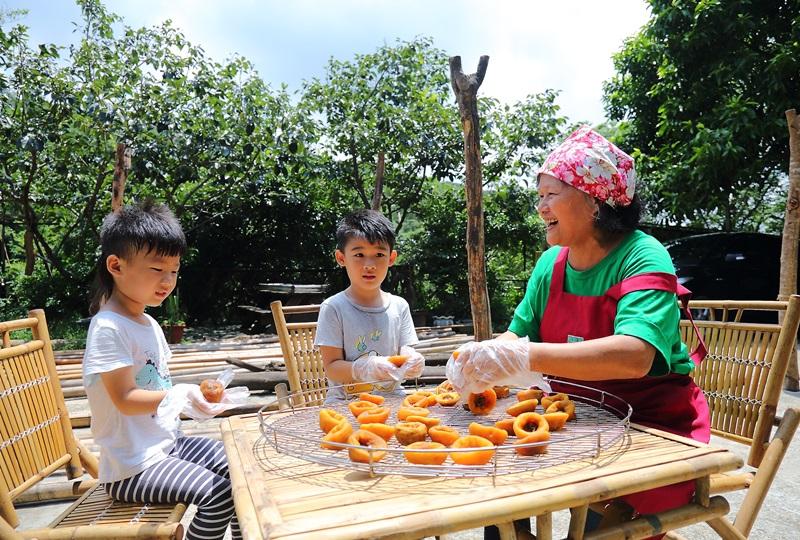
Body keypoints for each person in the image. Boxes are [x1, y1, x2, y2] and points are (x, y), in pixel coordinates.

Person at [448, 126, 710, 536]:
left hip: (649, 427)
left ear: (593, 200)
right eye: (539, 197)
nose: (541, 208)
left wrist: (523, 358)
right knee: (496, 493)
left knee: (594, 526)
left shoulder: (643, 255)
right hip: (576, 420)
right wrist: (483, 356)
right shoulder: (550, 264)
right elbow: (517, 335)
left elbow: (635, 355)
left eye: (551, 195)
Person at [82, 200, 241, 540]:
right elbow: (125, 399)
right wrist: (177, 395)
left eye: (174, 270)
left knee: (242, 470)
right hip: (132, 468)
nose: (167, 280)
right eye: (156, 269)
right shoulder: (109, 327)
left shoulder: (148, 321)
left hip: (167, 444)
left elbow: (157, 383)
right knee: (219, 494)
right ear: (116, 265)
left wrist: (191, 398)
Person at [315, 209, 425, 402]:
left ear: (391, 258)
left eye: (379, 254)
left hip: (393, 399)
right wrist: (363, 368)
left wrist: (412, 359)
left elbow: (405, 351)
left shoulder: (399, 306)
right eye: (359, 254)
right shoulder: (333, 307)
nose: (369, 265)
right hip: (345, 404)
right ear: (341, 258)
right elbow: (331, 368)